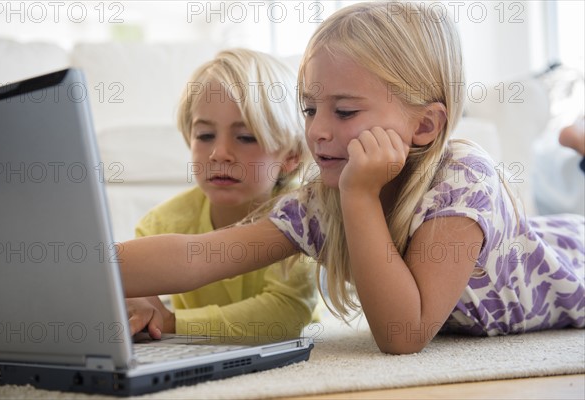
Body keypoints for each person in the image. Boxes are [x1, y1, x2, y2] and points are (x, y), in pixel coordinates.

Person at [120, 2, 584, 354]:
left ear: (424, 125)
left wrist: (359, 197)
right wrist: (73, 265)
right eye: (309, 109)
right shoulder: (320, 199)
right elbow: (198, 256)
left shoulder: (462, 179)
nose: (317, 131)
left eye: (344, 111)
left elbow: (403, 335)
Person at [126, 48, 318, 340]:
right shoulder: (159, 225)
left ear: (291, 156)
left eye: (245, 137)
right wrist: (137, 302)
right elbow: (128, 286)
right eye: (204, 136)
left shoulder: (300, 217)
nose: (219, 154)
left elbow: (286, 311)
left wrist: (172, 323)